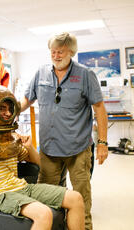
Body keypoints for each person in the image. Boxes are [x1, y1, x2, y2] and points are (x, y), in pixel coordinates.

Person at [0, 86, 85, 230]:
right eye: (2, 109)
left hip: (22, 188)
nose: (7, 113)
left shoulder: (9, 138)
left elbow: (38, 163)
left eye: (9, 109)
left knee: (76, 199)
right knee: (43, 214)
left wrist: (29, 146)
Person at [20, 32, 108, 230]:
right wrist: (9, 109)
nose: (56, 56)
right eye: (53, 51)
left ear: (71, 52)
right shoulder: (40, 73)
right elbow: (27, 99)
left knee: (81, 199)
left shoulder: (85, 75)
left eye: (61, 52)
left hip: (78, 149)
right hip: (49, 149)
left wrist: (102, 143)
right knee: (49, 198)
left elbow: (100, 109)